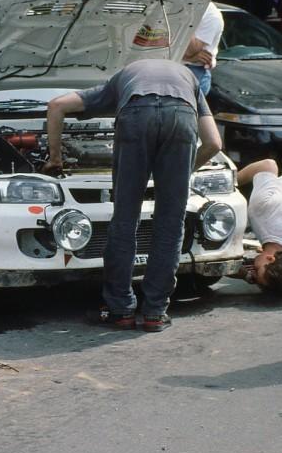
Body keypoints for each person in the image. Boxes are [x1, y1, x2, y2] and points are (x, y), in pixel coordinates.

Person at [45, 59, 222, 332]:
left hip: (136, 116)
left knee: (125, 220)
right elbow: (213, 143)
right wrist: (178, 173)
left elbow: (56, 105)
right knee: (170, 224)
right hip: (182, 115)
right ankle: (155, 313)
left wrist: (54, 159)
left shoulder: (122, 77)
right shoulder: (188, 77)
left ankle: (120, 310)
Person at [234, 159, 282, 293]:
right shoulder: (262, 212)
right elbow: (267, 165)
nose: (252, 270)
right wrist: (228, 184)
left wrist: (247, 276)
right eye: (256, 270)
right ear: (270, 258)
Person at [181, 0, 224, 95]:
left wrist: (184, 17)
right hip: (177, 69)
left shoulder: (212, 15)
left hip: (195, 73)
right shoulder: (178, 7)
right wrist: (187, 56)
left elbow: (191, 50)